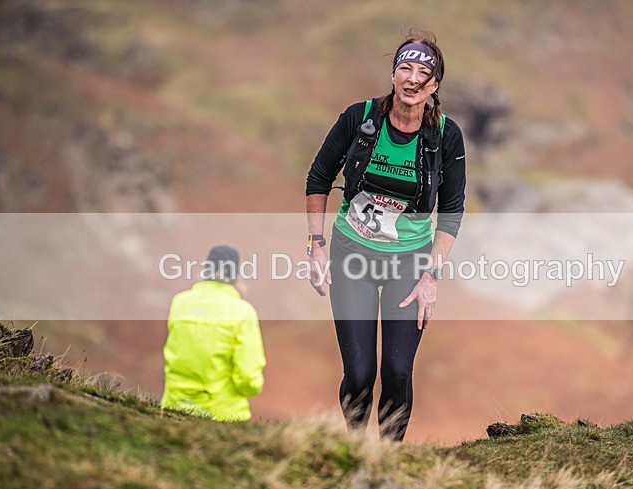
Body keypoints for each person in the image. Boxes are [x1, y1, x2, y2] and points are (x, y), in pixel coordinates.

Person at [305, 33, 466, 441]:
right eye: (405, 68)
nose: (412, 79)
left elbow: (451, 212)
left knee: (396, 371)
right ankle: (355, 449)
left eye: (423, 73)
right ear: (393, 74)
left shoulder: (446, 136)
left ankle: (390, 460)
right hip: (351, 253)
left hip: (409, 262)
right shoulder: (359, 118)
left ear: (434, 86)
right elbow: (318, 178)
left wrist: (431, 277)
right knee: (359, 372)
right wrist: (316, 247)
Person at [161, 245, 267, 421]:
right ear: (236, 276)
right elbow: (248, 379)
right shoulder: (242, 312)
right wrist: (253, 387)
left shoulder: (180, 302)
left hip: (173, 407)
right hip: (222, 414)